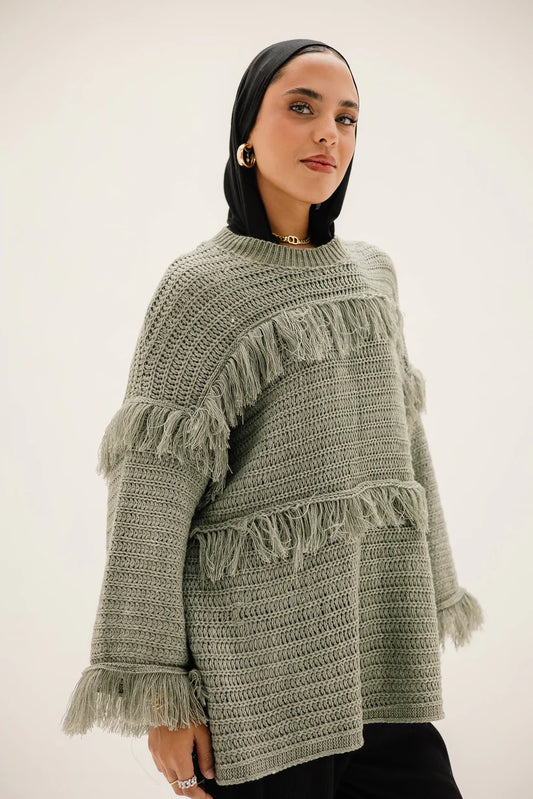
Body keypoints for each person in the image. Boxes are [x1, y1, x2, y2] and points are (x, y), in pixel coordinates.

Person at [60, 39, 484, 798]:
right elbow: (150, 492)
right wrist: (163, 696)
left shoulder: (372, 274)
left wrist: (432, 592)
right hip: (257, 682)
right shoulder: (201, 288)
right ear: (246, 136)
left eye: (347, 118)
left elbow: (407, 448)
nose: (328, 133)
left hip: (379, 661)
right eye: (301, 108)